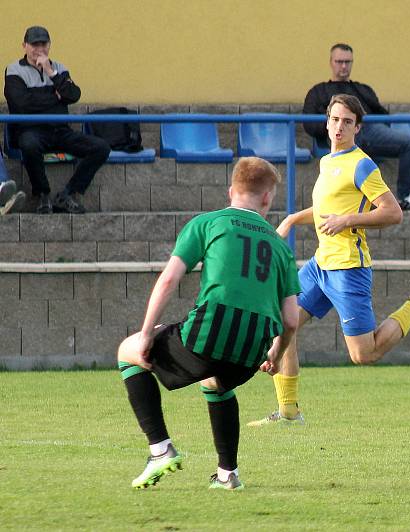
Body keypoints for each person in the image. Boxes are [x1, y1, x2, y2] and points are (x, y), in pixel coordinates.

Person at [248, 94, 410, 427]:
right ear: (327, 123)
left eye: (348, 121)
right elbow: (325, 209)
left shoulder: (362, 164)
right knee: (283, 326)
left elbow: (393, 212)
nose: (339, 127)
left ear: (357, 127)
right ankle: (288, 412)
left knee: (364, 354)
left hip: (348, 267)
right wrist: (290, 219)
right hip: (320, 266)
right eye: (335, 119)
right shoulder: (327, 162)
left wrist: (346, 221)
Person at [117, 157, 300, 490]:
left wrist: (146, 334)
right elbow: (291, 319)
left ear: (231, 191)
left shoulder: (209, 223)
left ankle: (160, 450)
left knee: (127, 351)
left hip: (209, 335)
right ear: (267, 198)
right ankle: (228, 474)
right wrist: (275, 354)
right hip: (252, 351)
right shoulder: (280, 247)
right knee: (216, 383)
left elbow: (169, 280)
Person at [302, 43, 410, 211]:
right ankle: (368, 203)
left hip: (370, 131)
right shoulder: (318, 91)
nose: (344, 66)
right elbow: (309, 124)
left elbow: (383, 115)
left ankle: (406, 197)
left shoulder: (363, 90)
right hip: (340, 137)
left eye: (348, 62)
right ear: (331, 62)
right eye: (339, 61)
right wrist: (337, 125)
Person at [4, 26, 110, 214]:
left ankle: (68, 194)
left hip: (60, 131)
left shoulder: (58, 68)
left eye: (43, 44)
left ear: (49, 45)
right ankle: (43, 195)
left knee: (101, 147)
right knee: (28, 144)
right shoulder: (14, 70)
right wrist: (55, 97)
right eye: (34, 44)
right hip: (31, 131)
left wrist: (51, 72)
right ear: (24, 46)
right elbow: (20, 104)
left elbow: (73, 94)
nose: (39, 49)